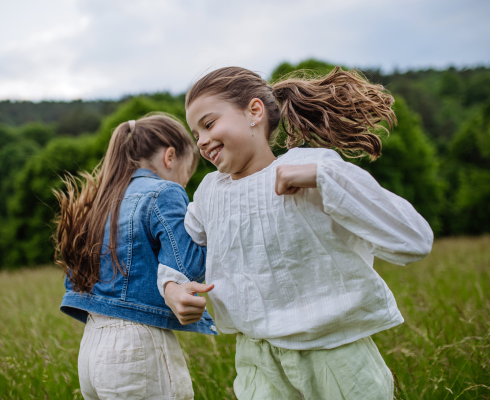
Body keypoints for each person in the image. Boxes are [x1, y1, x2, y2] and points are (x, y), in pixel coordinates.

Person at [160, 67, 434, 399]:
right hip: (257, 361)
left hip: (335, 356)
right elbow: (182, 251)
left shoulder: (312, 167)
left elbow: (413, 241)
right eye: (195, 133)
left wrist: (324, 177)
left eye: (209, 124)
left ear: (254, 112)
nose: (201, 141)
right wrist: (172, 287)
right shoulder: (209, 192)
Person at [53, 114, 217, 400]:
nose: (183, 183)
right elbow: (186, 266)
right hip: (137, 346)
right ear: (170, 157)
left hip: (92, 347)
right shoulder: (164, 192)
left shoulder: (98, 200)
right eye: (186, 174)